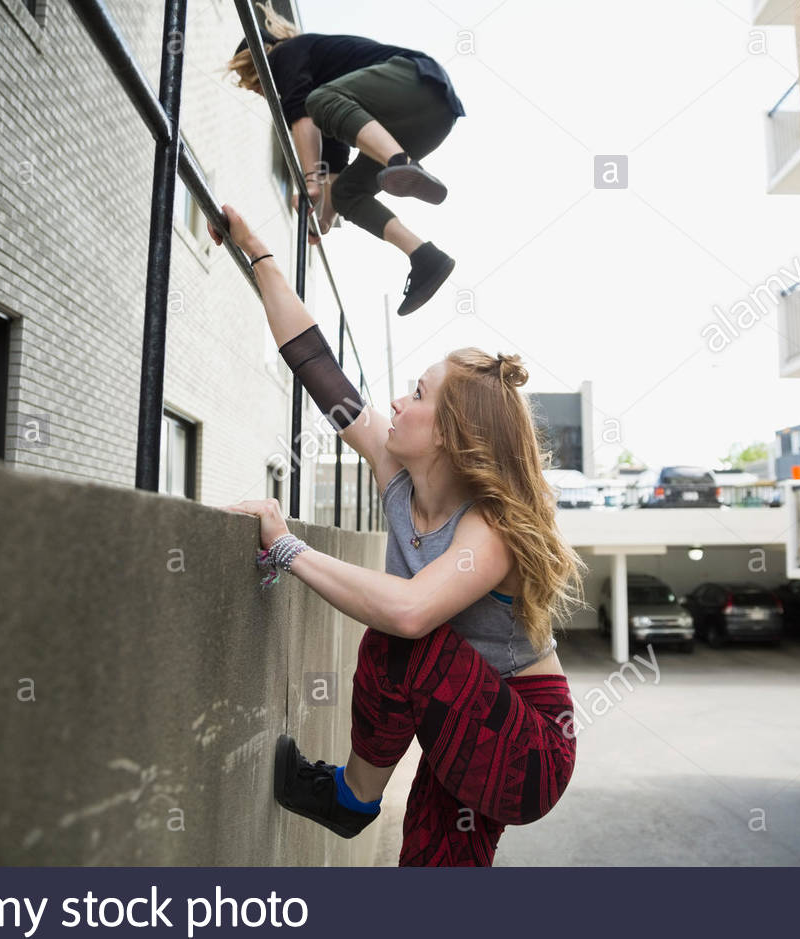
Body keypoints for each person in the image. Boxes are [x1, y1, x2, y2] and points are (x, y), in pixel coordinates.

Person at [210, 203, 587, 865]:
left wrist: (286, 545)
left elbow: (410, 614)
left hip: (527, 746)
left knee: (401, 642)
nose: (397, 403)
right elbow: (316, 364)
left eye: (415, 394)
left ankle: (351, 800)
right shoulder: (398, 474)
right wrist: (259, 254)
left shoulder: (490, 530)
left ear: (448, 434)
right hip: (460, 715)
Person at [227, 5, 464, 315]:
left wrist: (311, 180)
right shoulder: (329, 95)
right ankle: (425, 257)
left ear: (260, 63)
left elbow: (303, 110)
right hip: (430, 121)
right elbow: (336, 165)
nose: (264, 94)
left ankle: (399, 161)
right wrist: (322, 218)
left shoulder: (286, 54)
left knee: (318, 101)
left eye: (257, 85)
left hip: (417, 80)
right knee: (346, 193)